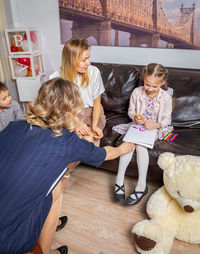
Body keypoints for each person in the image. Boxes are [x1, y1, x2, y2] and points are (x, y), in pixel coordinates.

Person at [0, 78, 134, 254]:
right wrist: (122, 149)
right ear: (70, 109)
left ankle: (49, 233)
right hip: (8, 240)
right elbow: (106, 154)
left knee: (52, 186)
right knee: (55, 191)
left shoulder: (12, 127)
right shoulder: (66, 142)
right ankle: (46, 251)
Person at [114, 63, 174, 206]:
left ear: (162, 83)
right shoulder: (137, 92)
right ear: (143, 80)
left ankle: (141, 186)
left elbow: (167, 120)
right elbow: (130, 111)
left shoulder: (165, 97)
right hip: (138, 126)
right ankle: (119, 181)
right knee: (128, 144)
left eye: (155, 86)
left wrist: (155, 125)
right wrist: (135, 117)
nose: (150, 89)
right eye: (147, 84)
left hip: (156, 128)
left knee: (141, 146)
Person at [49, 38, 106, 146]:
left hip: (92, 113)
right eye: (84, 60)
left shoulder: (94, 72)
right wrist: (76, 122)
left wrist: (94, 126)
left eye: (88, 58)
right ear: (71, 60)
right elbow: (57, 108)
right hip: (69, 114)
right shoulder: (56, 77)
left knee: (89, 140)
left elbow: (97, 103)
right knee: (75, 143)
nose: (88, 63)